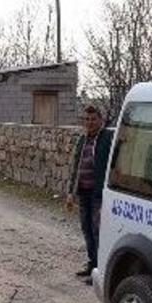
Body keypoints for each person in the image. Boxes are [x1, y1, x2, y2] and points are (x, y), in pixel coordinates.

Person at [65, 105, 114, 280]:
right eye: (87, 119)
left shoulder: (107, 137)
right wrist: (70, 192)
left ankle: (100, 272)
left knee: (97, 230)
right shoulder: (82, 140)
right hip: (83, 192)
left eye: (93, 119)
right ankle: (92, 264)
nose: (90, 122)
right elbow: (75, 167)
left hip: (98, 194)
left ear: (100, 120)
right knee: (86, 229)